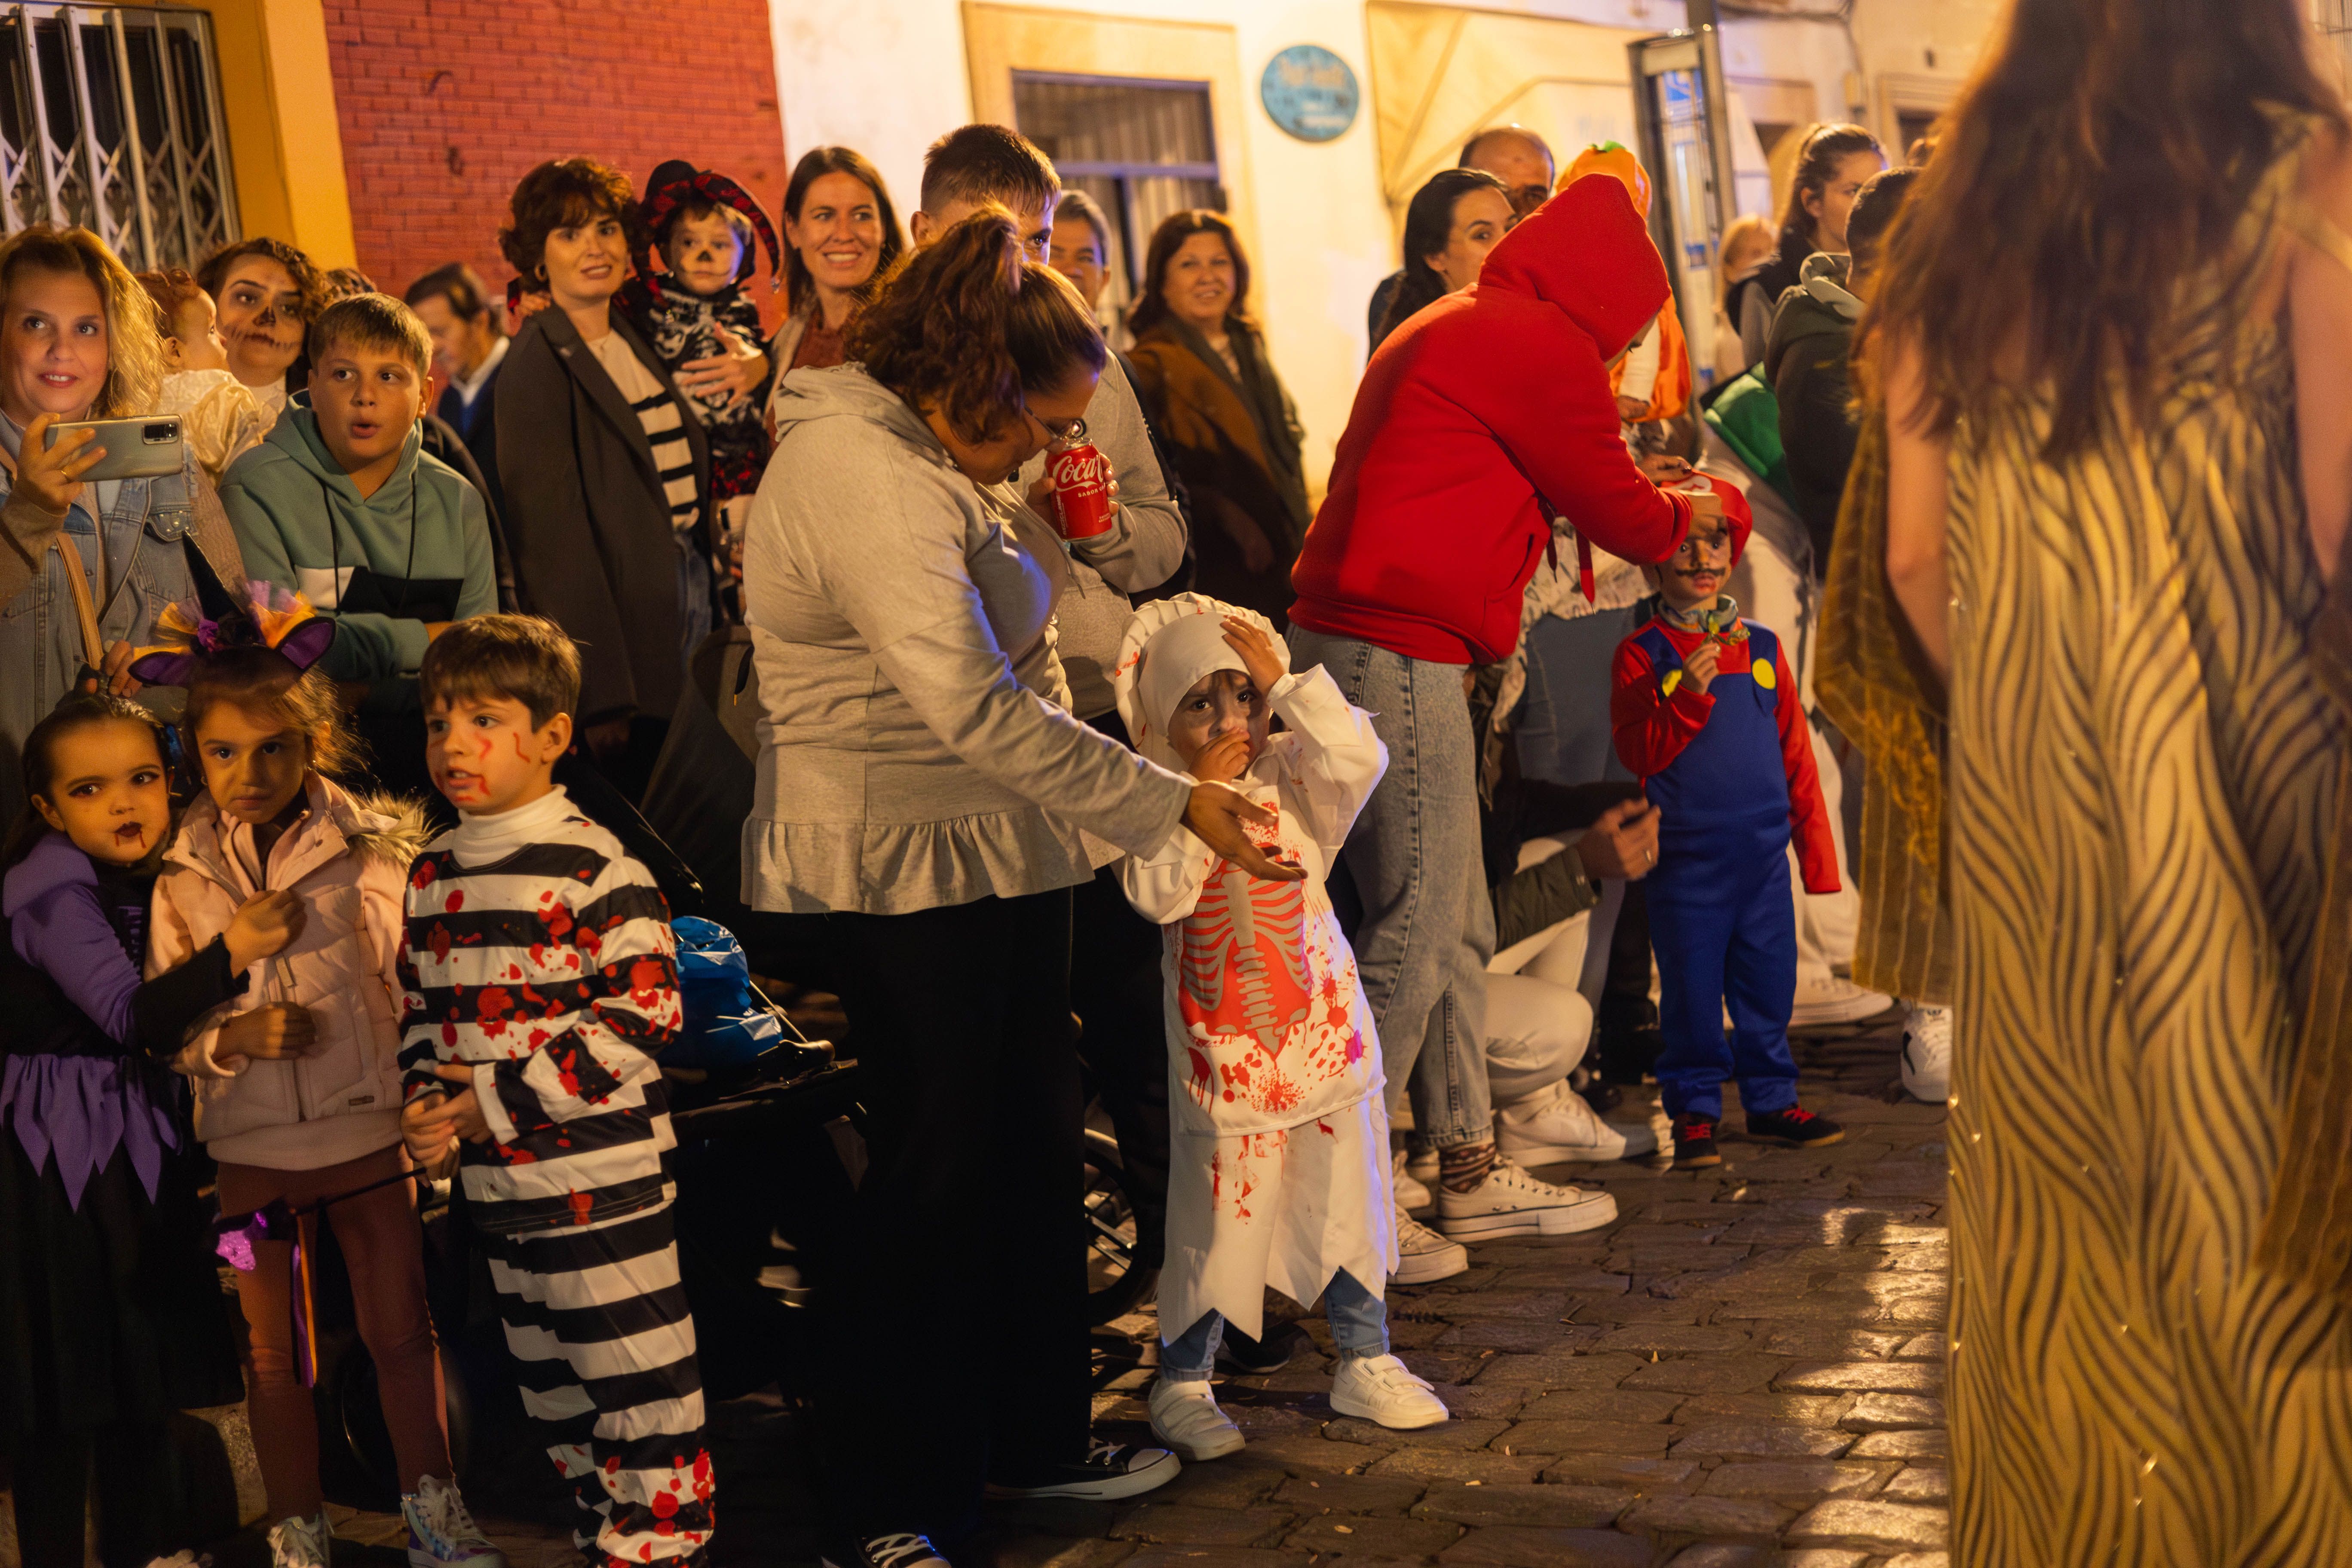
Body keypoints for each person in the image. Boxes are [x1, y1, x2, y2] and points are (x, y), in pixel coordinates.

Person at [1841, 0, 2352, 1556]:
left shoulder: (1958, 206)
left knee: (2059, 1203)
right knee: (2267, 1181)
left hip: (2029, 787)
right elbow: (2337, 531)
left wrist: (2024, 703)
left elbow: (1915, 559)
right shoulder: (2295, 173)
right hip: (2258, 770)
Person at [748, 206, 1289, 1568]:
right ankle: (890, 1487)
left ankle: (1029, 1435)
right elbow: (970, 704)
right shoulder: (859, 471)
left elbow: (1054, 608)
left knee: (1033, 1141)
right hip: (899, 857)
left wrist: (1189, 653)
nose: (1053, 449)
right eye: (1036, 424)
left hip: (1005, 842)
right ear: (967, 383)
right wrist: (1176, 803)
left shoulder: (945, 455)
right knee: (938, 1163)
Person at [1289, 174, 1712, 1257]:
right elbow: (1620, 510)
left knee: (1449, 920)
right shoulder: (1536, 343)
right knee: (1422, 923)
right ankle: (1344, 1195)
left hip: (1377, 632)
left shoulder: (1470, 316)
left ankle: (1463, 1162)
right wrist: (1686, 509)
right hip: (1399, 638)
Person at [135, 602, 500, 1568]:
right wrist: (232, 1036)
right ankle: (300, 1529)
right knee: (271, 1355)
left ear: (315, 740)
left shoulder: (368, 854)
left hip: (366, 1146)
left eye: (272, 751)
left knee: (398, 1331)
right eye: (221, 755)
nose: (246, 778)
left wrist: (432, 1109)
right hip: (250, 1161)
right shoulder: (179, 872)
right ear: (192, 753)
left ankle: (435, 1513)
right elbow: (166, 1015)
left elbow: (420, 994)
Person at [396, 614, 714, 1568]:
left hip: (600, 1179)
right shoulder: (433, 869)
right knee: (554, 1383)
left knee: (635, 1373)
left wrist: (490, 1104)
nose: (455, 745)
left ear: (551, 736)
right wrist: (426, 1107)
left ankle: (661, 1544)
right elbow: (423, 1007)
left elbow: (643, 1016)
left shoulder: (596, 867)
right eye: (439, 723)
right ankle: (604, 1529)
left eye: (484, 720)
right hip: (502, 1190)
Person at [1113, 596, 1449, 1459]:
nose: (1232, 719)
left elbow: (1361, 755)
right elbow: (1156, 894)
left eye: (1244, 697)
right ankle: (1183, 1379)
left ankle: (1366, 1357)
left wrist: (1290, 683)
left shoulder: (1298, 777)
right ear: (1158, 722)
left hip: (1326, 1045)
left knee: (1349, 1205)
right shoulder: (1158, 803)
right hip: (1227, 1068)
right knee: (1217, 1227)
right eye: (1201, 703)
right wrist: (1206, 796)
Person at [1, 693, 251, 1568]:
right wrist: (237, 952)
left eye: (144, 778)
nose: (125, 804)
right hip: (58, 1166)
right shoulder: (47, 886)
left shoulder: (160, 871)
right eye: (91, 788)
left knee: (138, 1380)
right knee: (65, 1390)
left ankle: (143, 1553)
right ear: (48, 810)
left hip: (136, 1149)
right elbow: (129, 1015)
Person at [1608, 493, 1845, 1168]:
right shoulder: (1642, 653)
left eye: (1715, 541)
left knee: (1770, 983)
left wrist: (1817, 858)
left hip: (1763, 861)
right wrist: (1683, 698)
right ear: (1656, 559)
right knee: (1690, 990)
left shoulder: (1764, 647)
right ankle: (1695, 1112)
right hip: (1687, 863)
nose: (1701, 557)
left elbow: (1797, 757)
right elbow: (1638, 753)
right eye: (1683, 541)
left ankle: (1772, 1099)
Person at [0, 225, 248, 829]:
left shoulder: (165, 461)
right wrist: (29, 512)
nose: (64, 352)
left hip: (162, 812)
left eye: (87, 328)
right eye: (37, 325)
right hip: (22, 819)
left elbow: (240, 634)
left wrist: (167, 672)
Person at [494, 156, 713, 802]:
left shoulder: (631, 336)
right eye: (570, 234)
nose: (594, 246)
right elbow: (552, 542)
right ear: (539, 260)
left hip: (687, 596)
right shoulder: (536, 364)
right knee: (660, 809)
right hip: (627, 642)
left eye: (606, 228)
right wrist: (598, 692)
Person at [222, 293, 496, 808]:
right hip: (308, 770)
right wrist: (428, 640)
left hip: (444, 764)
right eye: (344, 375)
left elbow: (481, 668)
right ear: (312, 386)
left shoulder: (458, 501)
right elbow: (283, 648)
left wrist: (370, 691)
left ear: (424, 396)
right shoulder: (254, 486)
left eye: (390, 377)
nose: (365, 396)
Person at [1127, 211, 1308, 626]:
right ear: (1162, 284)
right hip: (1219, 571)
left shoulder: (1250, 349)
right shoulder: (1150, 367)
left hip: (1285, 554)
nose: (1207, 276)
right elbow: (1150, 476)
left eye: (1219, 262)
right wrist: (1222, 511)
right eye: (1189, 264)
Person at [634, 161, 779, 597]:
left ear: (743, 256)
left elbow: (770, 368)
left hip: (740, 467)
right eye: (689, 242)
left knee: (747, 576)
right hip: (670, 470)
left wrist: (764, 363)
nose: (703, 255)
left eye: (719, 244)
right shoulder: (645, 302)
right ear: (667, 249)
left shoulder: (745, 315)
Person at [1366, 126, 1555, 343]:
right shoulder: (1399, 301)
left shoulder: (1560, 293)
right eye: (1497, 189)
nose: (1517, 210)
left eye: (1534, 195)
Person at [1732, 124, 1884, 368]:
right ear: (1813, 202)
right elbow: (1764, 389)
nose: (1869, 204)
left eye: (1876, 190)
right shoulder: (1767, 286)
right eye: (1854, 191)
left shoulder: (1893, 272)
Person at [1566, 144, 1692, 428]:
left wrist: (1636, 390)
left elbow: (1644, 334)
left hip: (1626, 404)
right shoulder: (1602, 256)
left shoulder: (1629, 259)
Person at [768, 145, 903, 385]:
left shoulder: (910, 339)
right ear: (793, 230)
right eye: (824, 216)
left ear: (883, 228)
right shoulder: (788, 341)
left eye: (862, 215)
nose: (844, 234)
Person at [137, 266, 267, 484]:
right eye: (211, 331)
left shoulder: (128, 404)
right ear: (174, 352)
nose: (223, 338)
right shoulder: (227, 398)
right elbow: (256, 483)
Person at [1369, 167, 1513, 352]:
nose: (1507, 244)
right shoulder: (1426, 351)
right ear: (1435, 257)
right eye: (1483, 235)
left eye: (1511, 228)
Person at [405, 263, 506, 511]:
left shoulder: (525, 377)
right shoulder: (450, 399)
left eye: (440, 331)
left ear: (480, 322)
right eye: (424, 336)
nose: (432, 348)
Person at [196, 238, 321, 423]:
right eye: (247, 298)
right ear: (208, 306)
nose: (267, 319)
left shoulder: (325, 424)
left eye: (289, 308)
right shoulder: (165, 408)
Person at [1712, 213, 1774, 380]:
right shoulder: (1736, 338)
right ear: (1730, 269)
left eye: (1772, 252)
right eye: (1756, 254)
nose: (1767, 261)